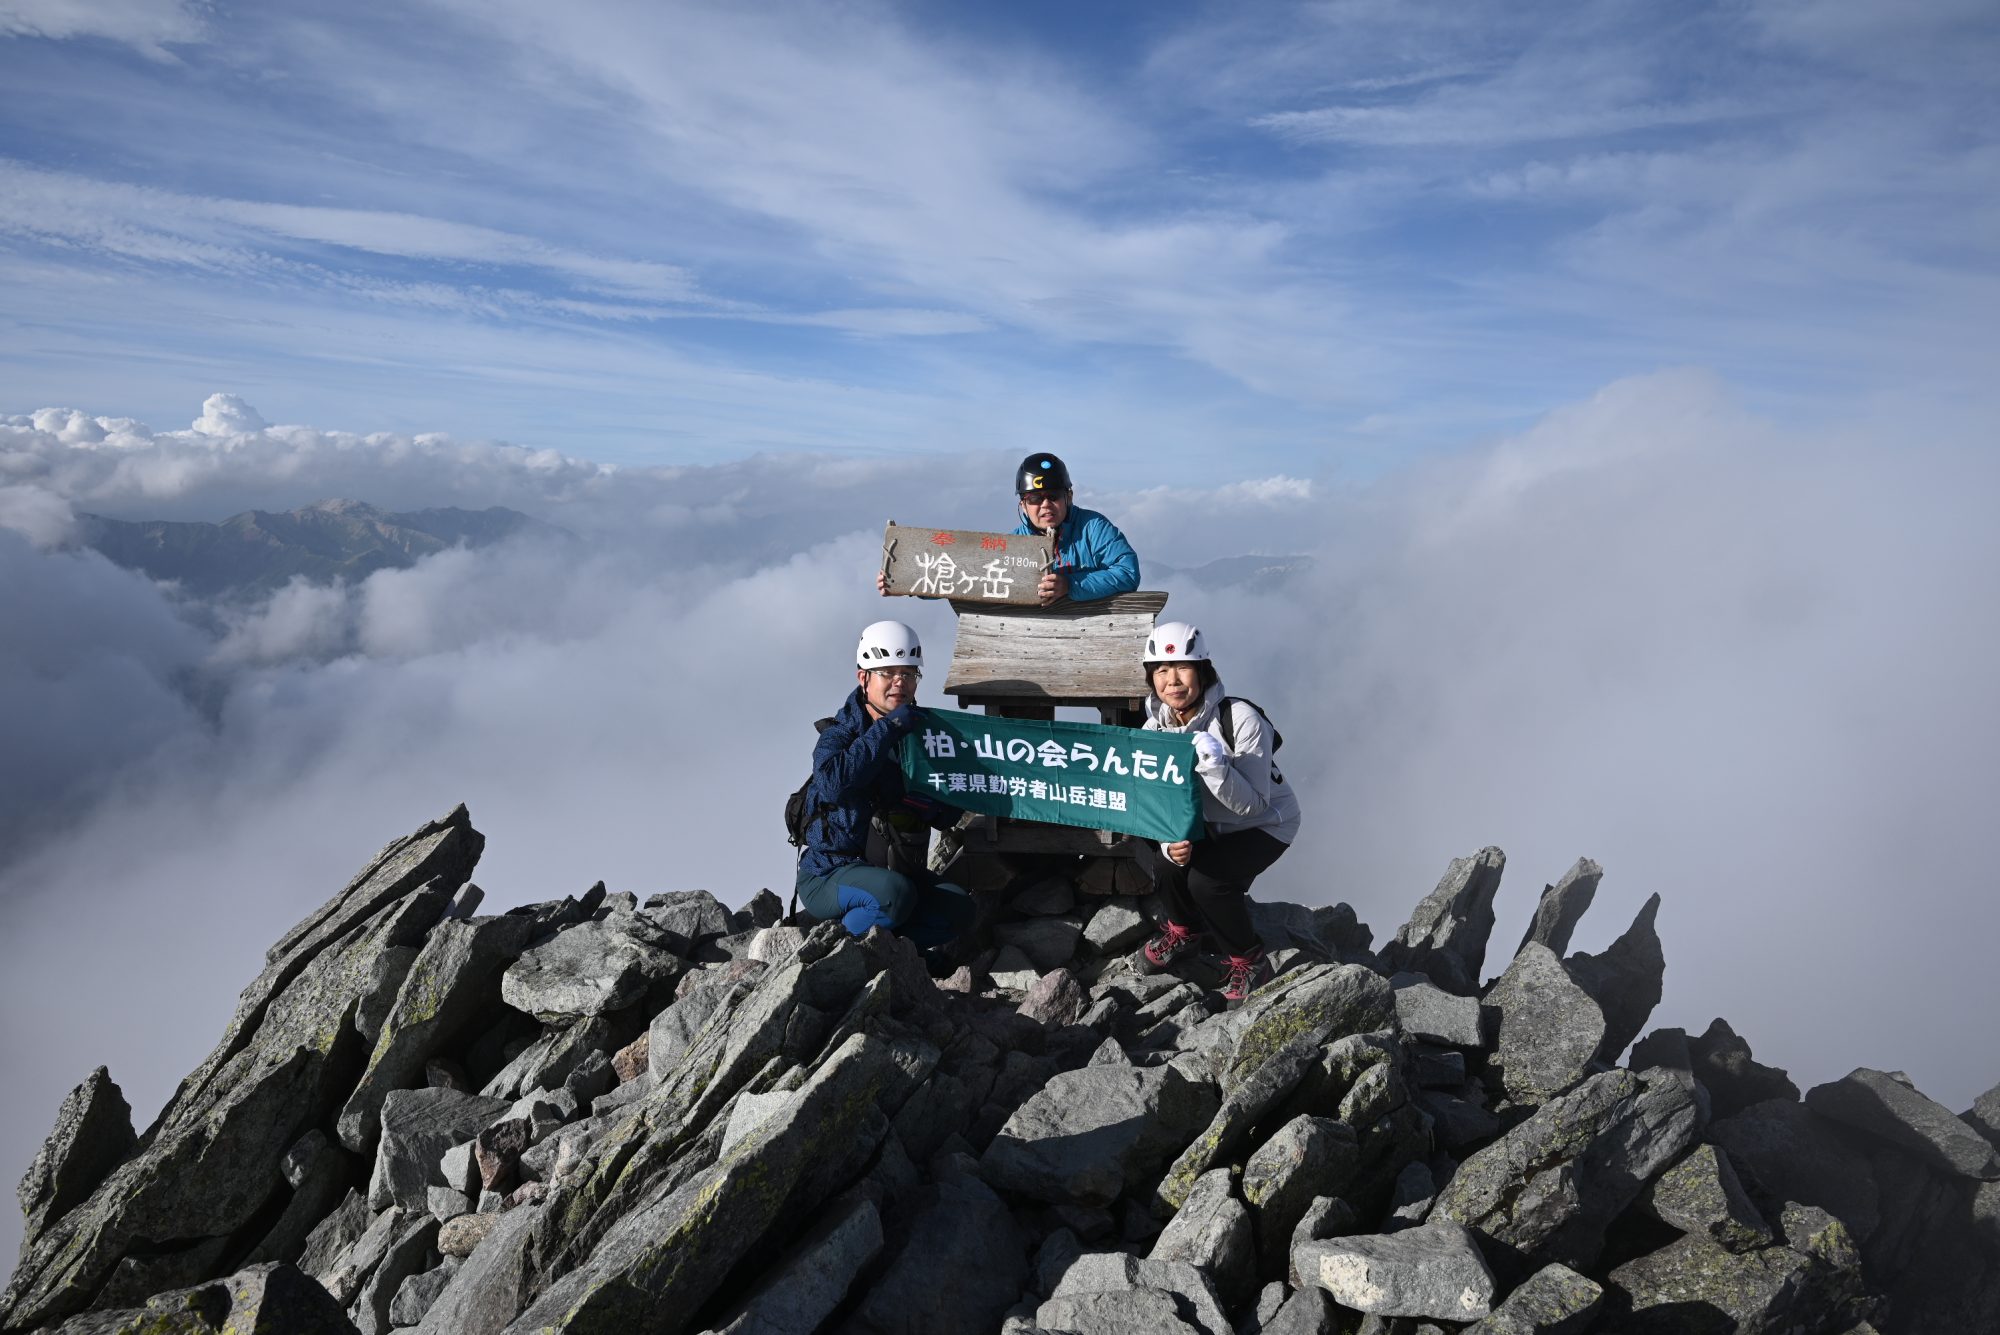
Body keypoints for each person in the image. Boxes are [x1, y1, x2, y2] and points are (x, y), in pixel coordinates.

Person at [1136, 620, 1300, 1004]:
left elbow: (1252, 804)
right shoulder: (1153, 730)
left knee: (1207, 883)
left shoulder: (1240, 718)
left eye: (1183, 668)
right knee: (1164, 864)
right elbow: (1154, 801)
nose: (1172, 681)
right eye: (1161, 670)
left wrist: (1214, 765)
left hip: (1264, 824)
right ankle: (1185, 929)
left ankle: (1250, 960)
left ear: (1203, 672)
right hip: (1207, 822)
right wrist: (1167, 842)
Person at [795, 620, 974, 956]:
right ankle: (835, 953)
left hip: (892, 872)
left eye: (908, 673)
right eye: (887, 672)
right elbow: (833, 783)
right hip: (829, 873)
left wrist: (931, 805)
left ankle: (895, 954)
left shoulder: (921, 737)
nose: (899, 682)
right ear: (863, 677)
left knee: (958, 908)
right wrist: (888, 730)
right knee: (895, 895)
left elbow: (949, 812)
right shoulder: (839, 734)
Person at [1010, 453, 1140, 605]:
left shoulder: (1094, 527)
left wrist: (1070, 585)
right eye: (1035, 498)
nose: (1045, 504)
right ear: (1023, 506)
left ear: (1069, 497)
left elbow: (1128, 572)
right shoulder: (1014, 543)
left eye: (1054, 495)